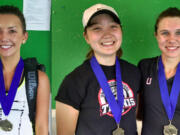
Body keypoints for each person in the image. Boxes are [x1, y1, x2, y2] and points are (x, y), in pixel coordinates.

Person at [55, 3, 141, 135]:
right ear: (86, 36)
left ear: (121, 30)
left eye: (113, 26)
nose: (107, 34)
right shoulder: (74, 81)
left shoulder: (134, 72)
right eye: (97, 28)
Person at [0, 5, 50, 135]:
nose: (4, 37)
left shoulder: (39, 79)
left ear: (24, 37)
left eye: (12, 31)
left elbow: (41, 128)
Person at [138, 7, 180, 135]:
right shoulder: (144, 67)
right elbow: (137, 113)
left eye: (179, 33)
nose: (172, 39)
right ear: (156, 35)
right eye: (165, 33)